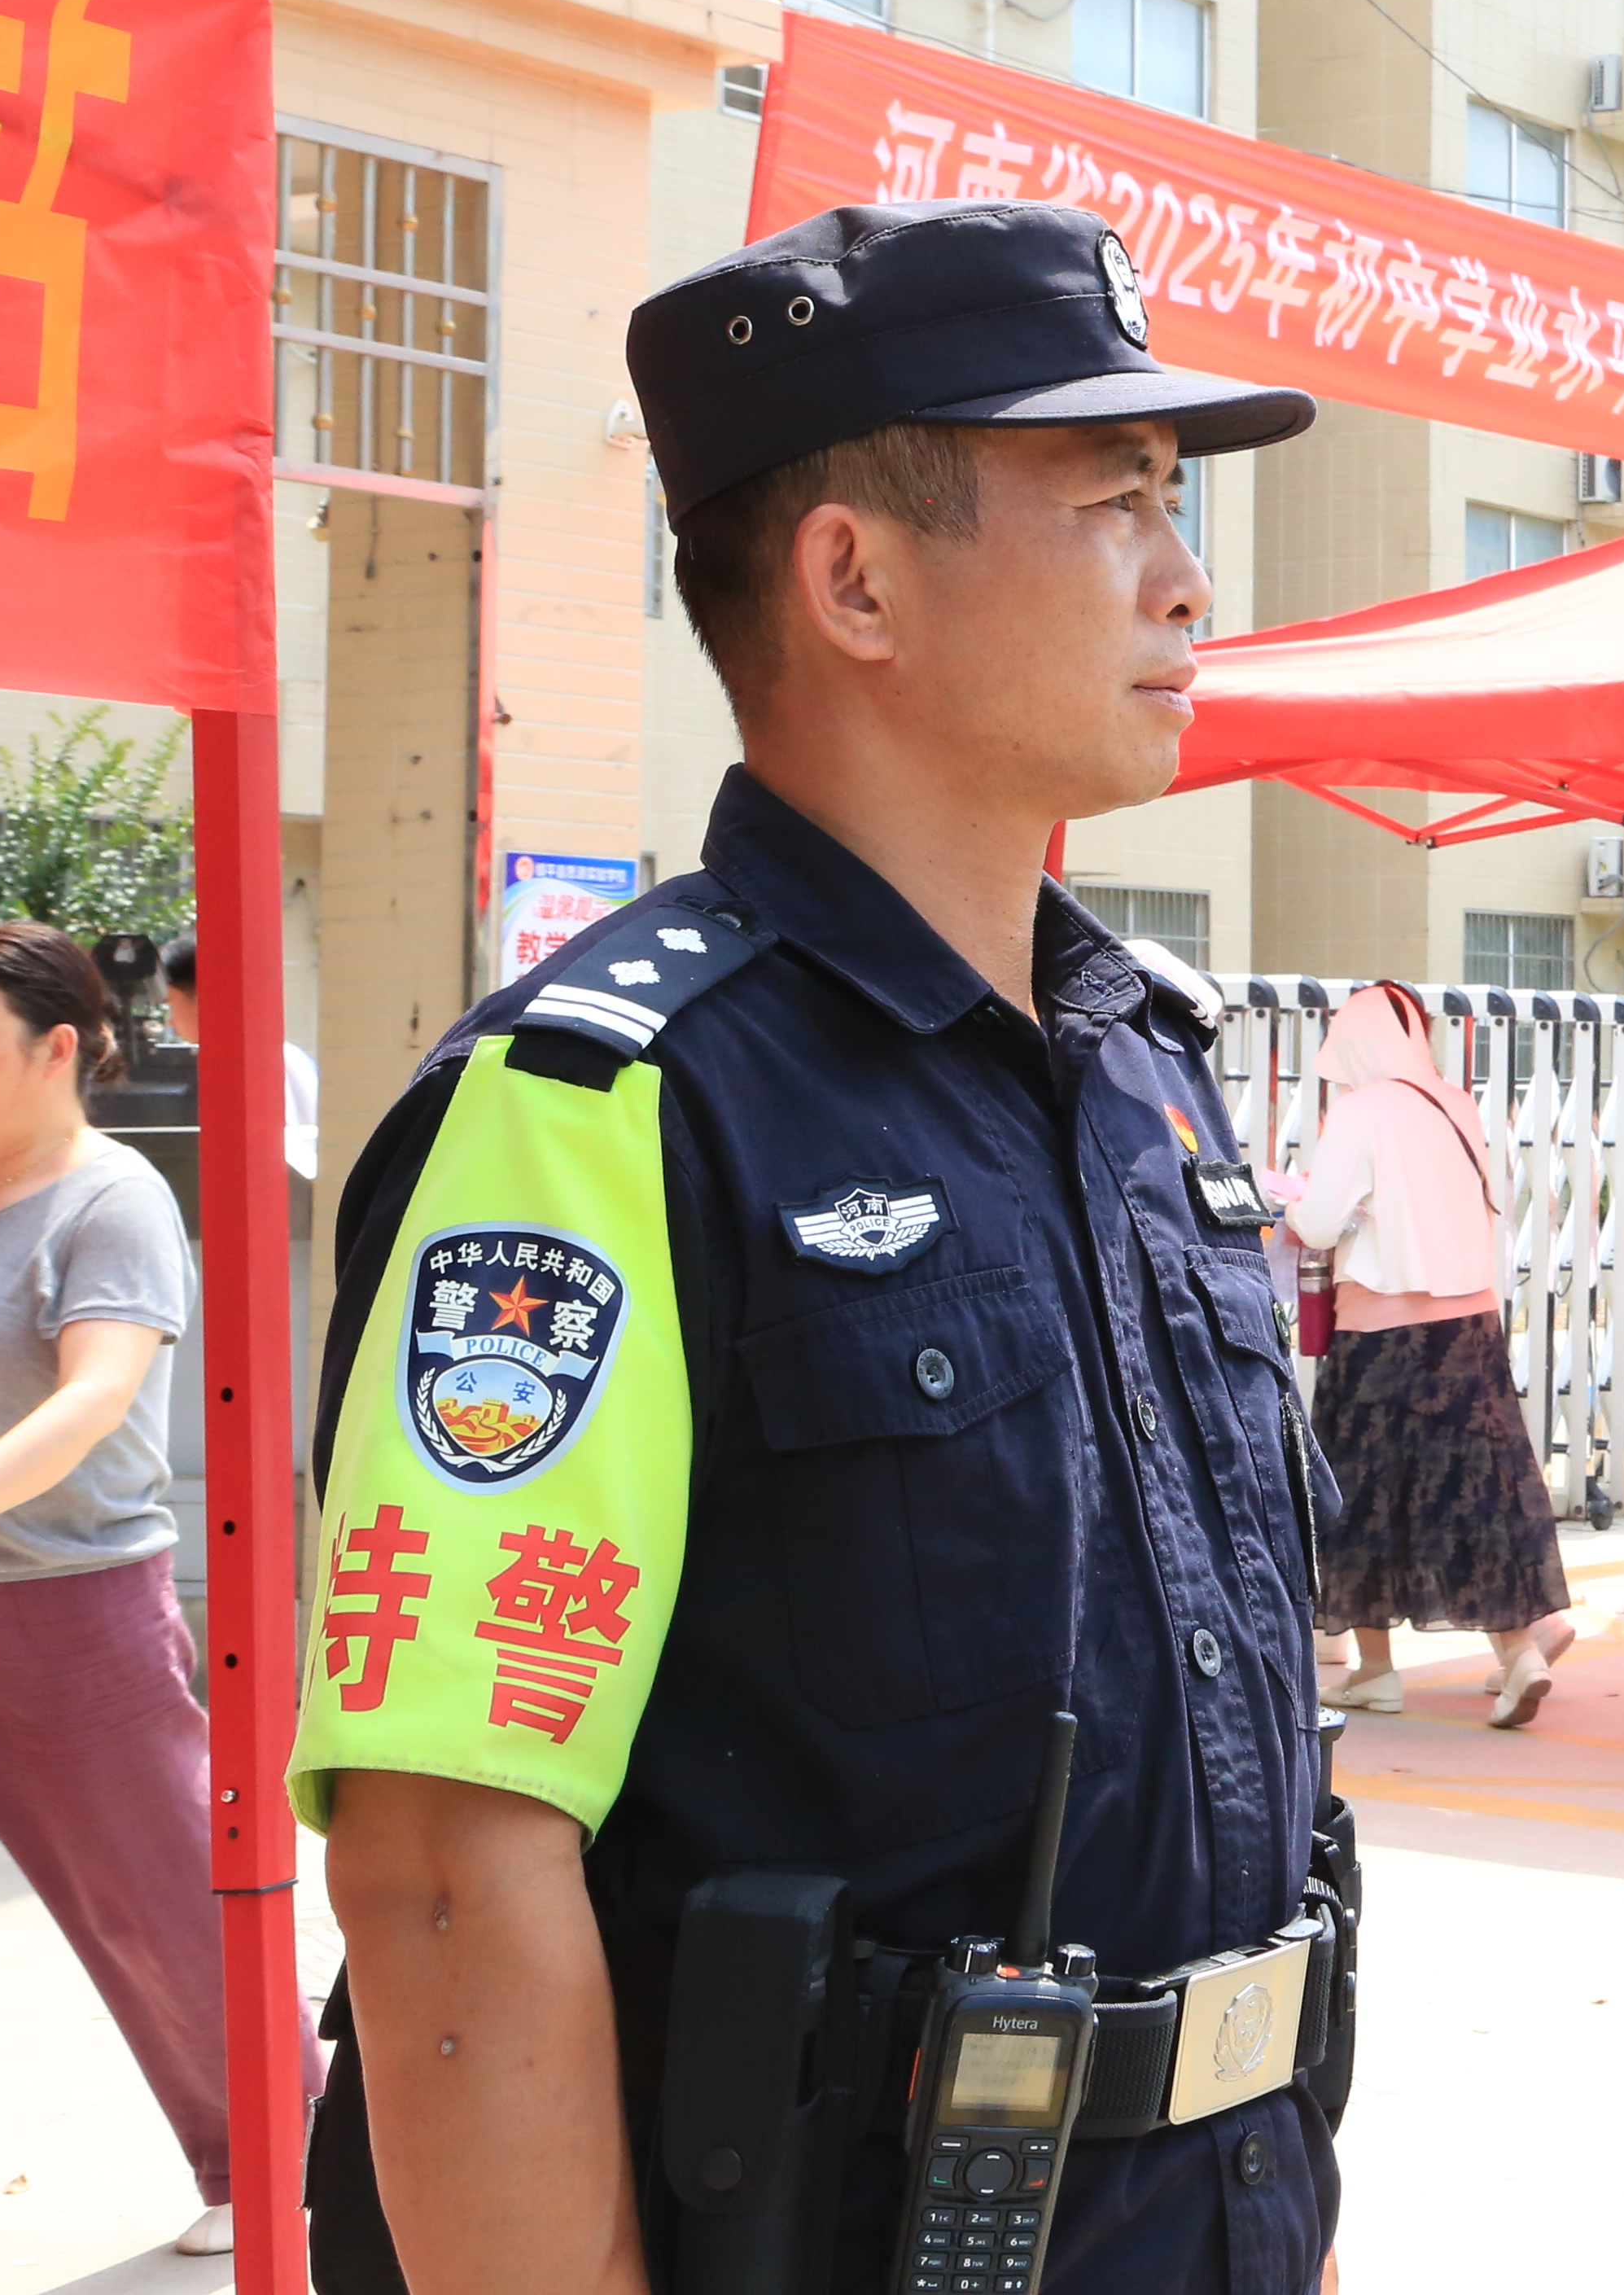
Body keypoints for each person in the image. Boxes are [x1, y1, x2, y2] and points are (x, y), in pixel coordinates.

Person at [290, 202, 1350, 2293]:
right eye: (1114, 500)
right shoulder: (605, 1107)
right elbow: (446, 1866)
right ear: (853, 577)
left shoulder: (1143, 1067)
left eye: (1175, 501)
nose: (1187, 576)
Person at [0, 922, 264, 2258]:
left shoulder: (112, 1201)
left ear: (59, 1050)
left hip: (65, 1621)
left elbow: (95, 1397)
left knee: (162, 1920)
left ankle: (277, 2163)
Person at [1291, 979, 1576, 1725]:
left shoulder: (1359, 1110)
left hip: (1380, 1334)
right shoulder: (1454, 1102)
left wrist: (1289, 1198)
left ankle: (1376, 1672)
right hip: (1470, 1327)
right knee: (1473, 1487)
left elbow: (1317, 1224)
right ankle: (1520, 1652)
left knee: (1363, 1492)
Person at [160, 927, 318, 1184]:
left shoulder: (233, 1068)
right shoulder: (290, 1055)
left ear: (202, 999)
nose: (170, 1021)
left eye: (171, 1005)